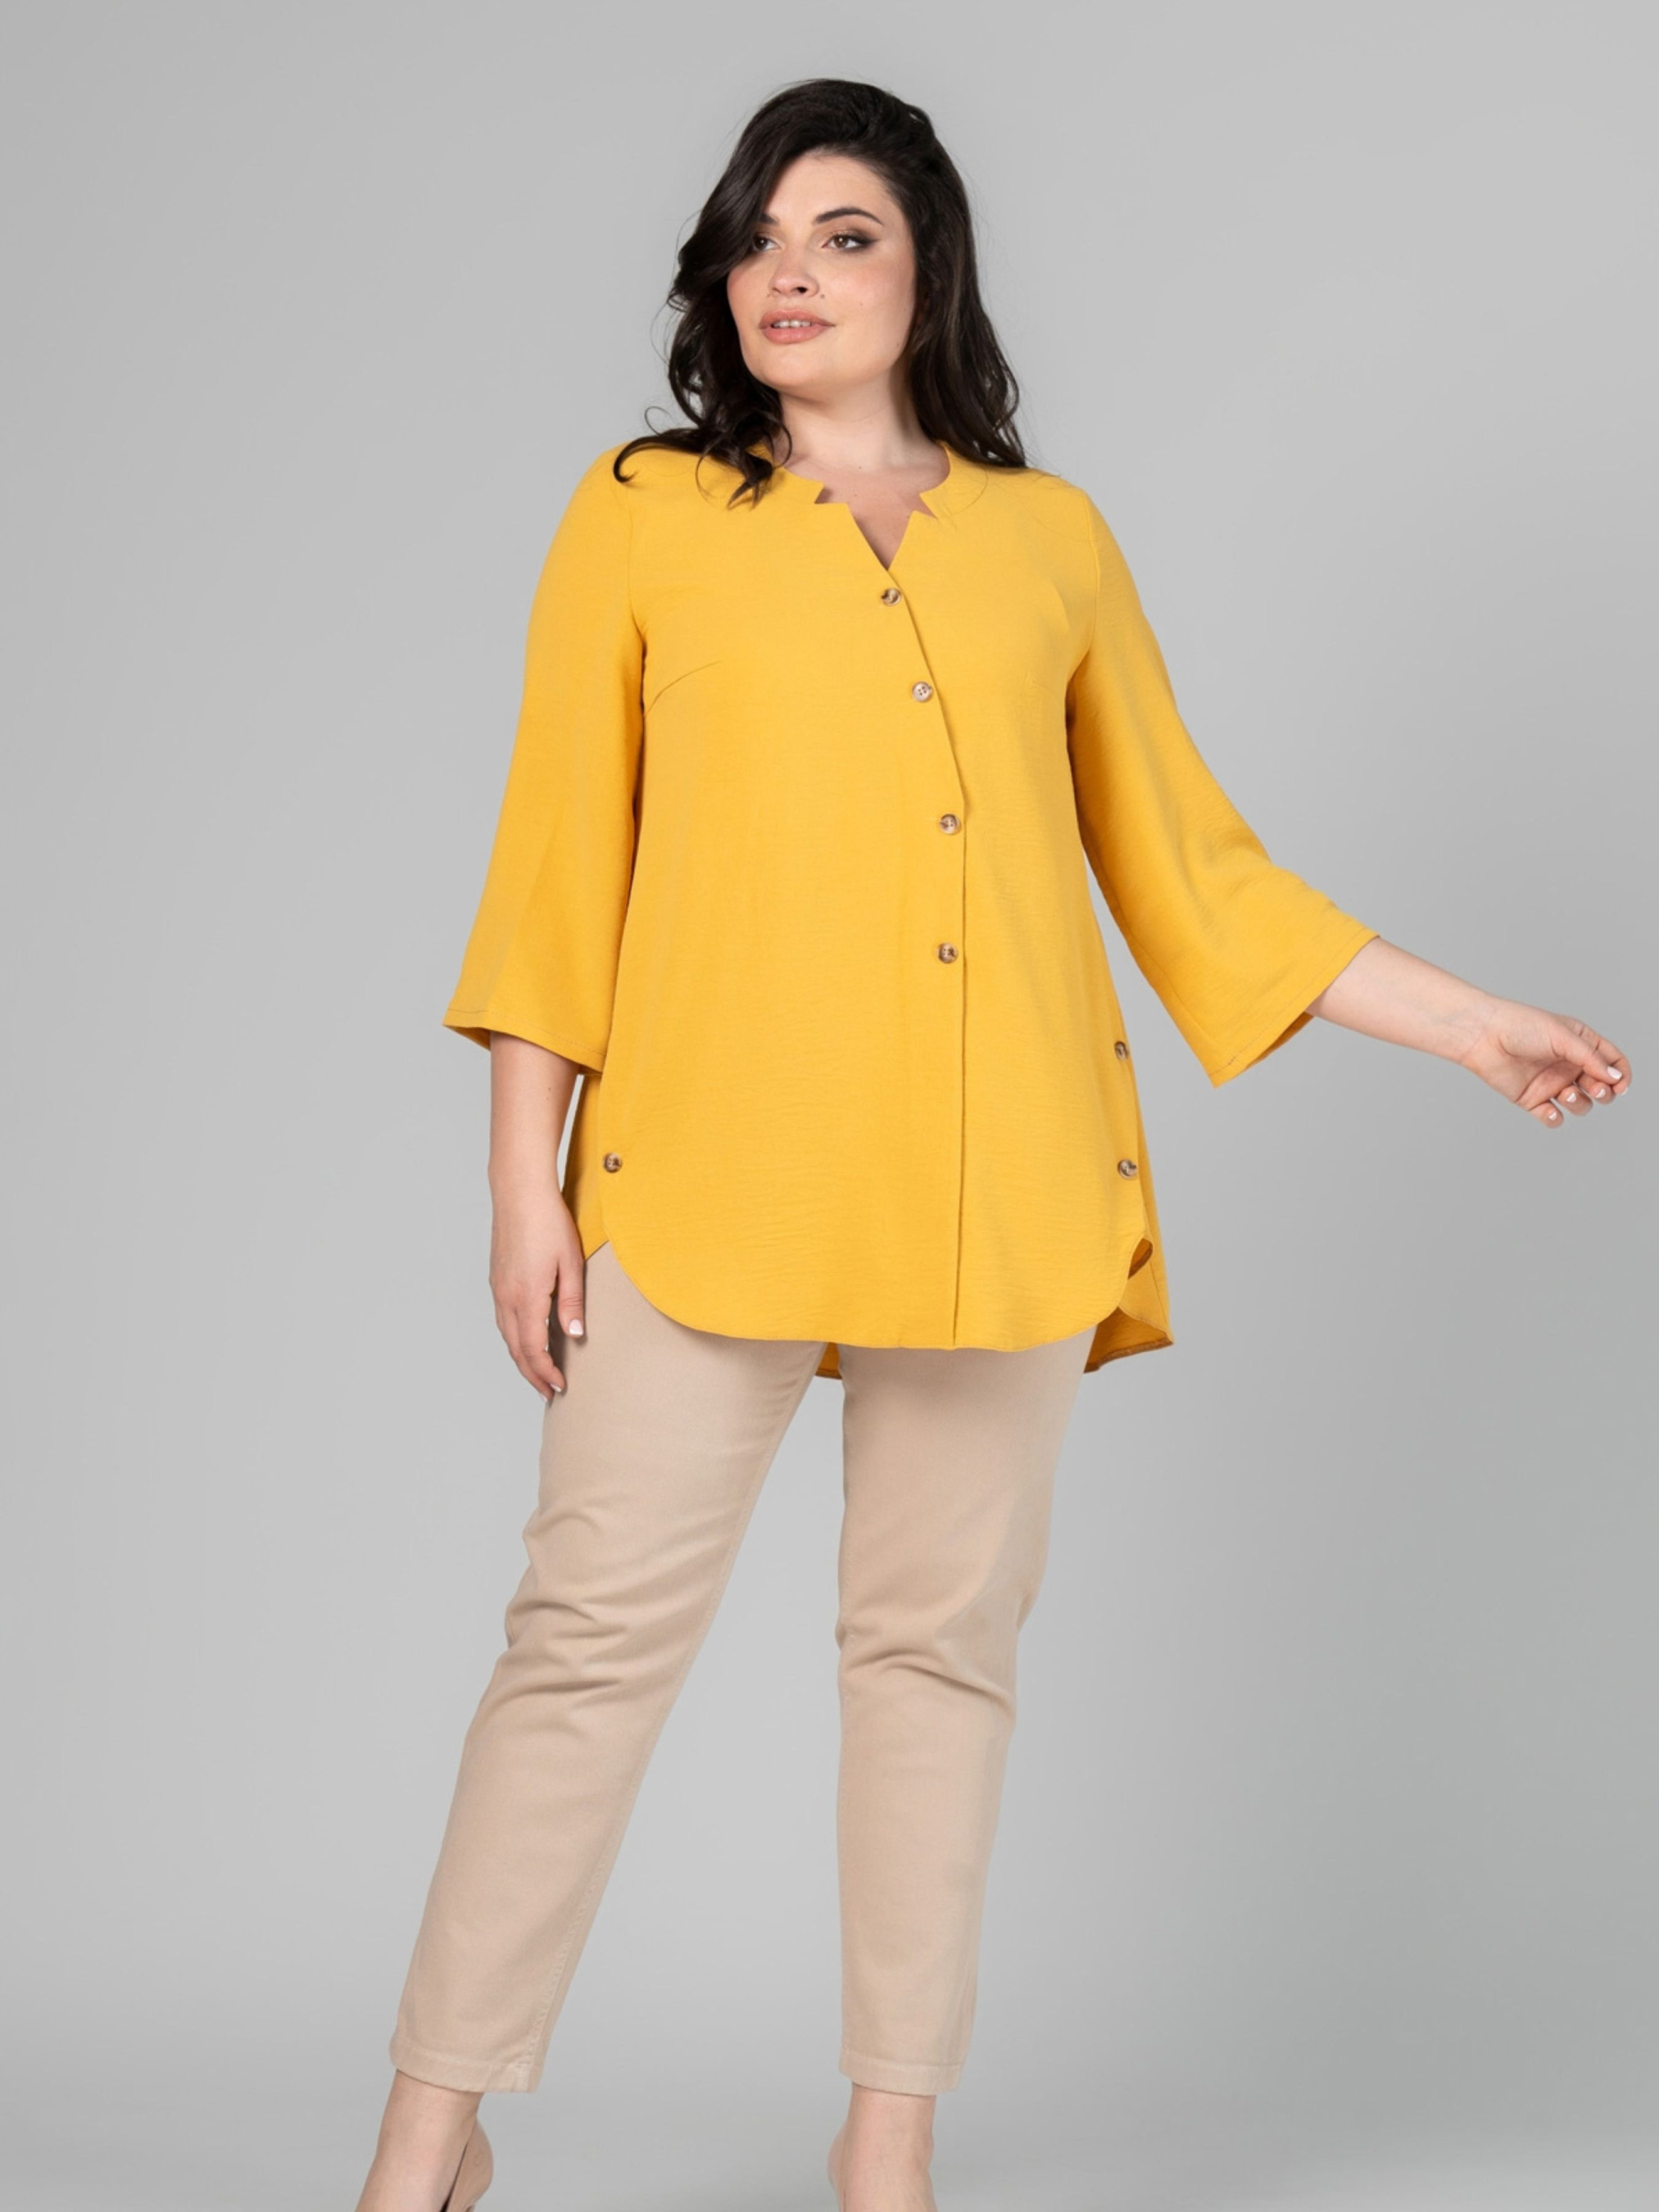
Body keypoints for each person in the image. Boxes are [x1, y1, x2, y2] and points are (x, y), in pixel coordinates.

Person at [352, 76, 1630, 2212]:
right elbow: (558, 869)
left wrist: (1468, 1023)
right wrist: (519, 1186)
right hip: (705, 1185)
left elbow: (1196, 874)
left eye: (841, 233)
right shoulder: (645, 512)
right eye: (758, 236)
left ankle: (888, 2149)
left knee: (936, 1664)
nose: (788, 271)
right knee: (579, 1649)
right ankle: (426, 2139)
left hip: (999, 1195)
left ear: (926, 268)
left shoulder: (1052, 543)